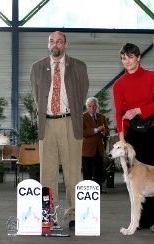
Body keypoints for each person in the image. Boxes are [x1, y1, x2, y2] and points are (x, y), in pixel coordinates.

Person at [30, 31, 89, 230]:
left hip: (69, 122)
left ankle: (73, 215)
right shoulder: (37, 67)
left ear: (66, 44)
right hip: (46, 124)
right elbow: (36, 96)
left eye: (59, 41)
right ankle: (49, 214)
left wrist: (68, 111)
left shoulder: (79, 66)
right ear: (48, 44)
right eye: (52, 41)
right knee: (47, 173)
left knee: (73, 172)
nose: (55, 44)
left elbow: (81, 95)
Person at [112, 43, 154, 233]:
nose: (127, 61)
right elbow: (119, 114)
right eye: (123, 58)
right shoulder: (118, 85)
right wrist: (121, 139)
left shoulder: (153, 76)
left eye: (130, 57)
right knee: (135, 178)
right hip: (132, 134)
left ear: (138, 57)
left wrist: (138, 110)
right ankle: (140, 221)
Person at [82, 97, 110, 194]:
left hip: (99, 148)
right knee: (87, 171)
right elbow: (82, 132)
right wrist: (96, 130)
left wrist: (104, 131)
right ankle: (87, 190)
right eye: (90, 106)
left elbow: (107, 131)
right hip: (87, 149)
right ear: (86, 107)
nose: (92, 108)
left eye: (94, 106)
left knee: (98, 170)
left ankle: (98, 188)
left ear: (97, 107)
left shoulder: (101, 117)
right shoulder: (82, 117)